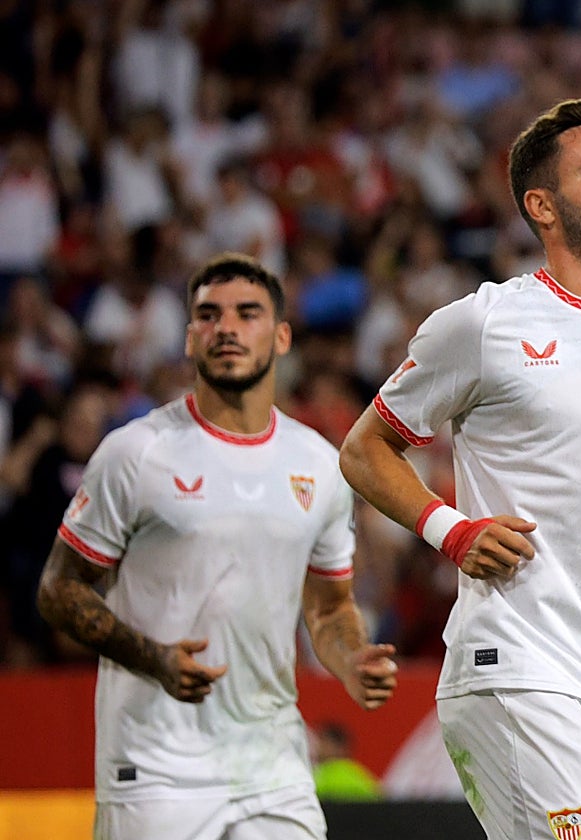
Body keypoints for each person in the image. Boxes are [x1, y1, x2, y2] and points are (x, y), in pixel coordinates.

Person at [339, 96, 581, 840]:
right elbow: (364, 449)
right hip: (523, 661)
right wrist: (452, 531)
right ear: (542, 205)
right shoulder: (487, 323)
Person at [36, 252, 397, 840]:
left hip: (273, 764)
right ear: (188, 338)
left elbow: (329, 608)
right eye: (209, 314)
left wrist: (350, 659)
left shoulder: (319, 465)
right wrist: (153, 658)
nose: (226, 327)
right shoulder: (136, 453)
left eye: (247, 313)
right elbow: (58, 590)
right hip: (155, 768)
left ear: (281, 337)